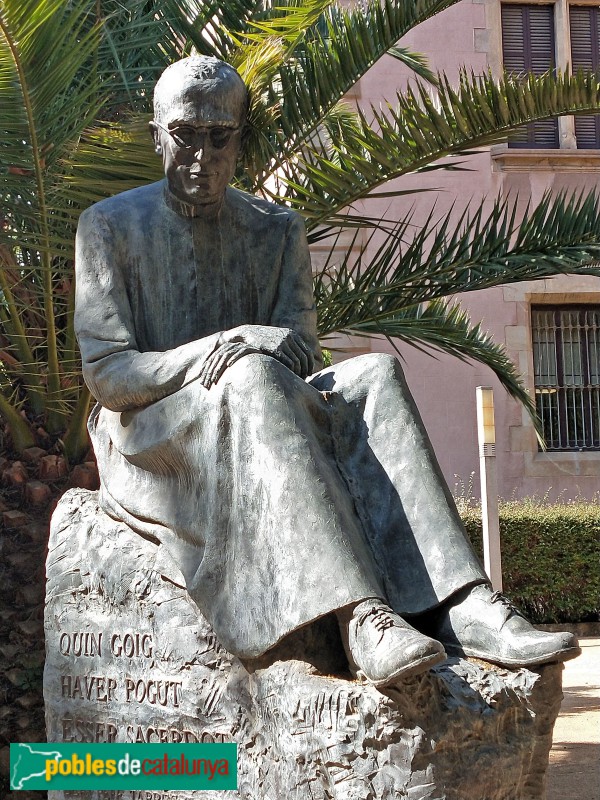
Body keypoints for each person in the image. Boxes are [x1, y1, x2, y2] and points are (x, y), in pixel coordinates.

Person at [74, 56, 579, 688]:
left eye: (219, 137)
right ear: (157, 134)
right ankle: (359, 616)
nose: (202, 156)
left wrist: (268, 349)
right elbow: (109, 373)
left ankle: (460, 601)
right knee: (251, 376)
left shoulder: (275, 229)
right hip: (154, 434)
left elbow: (304, 351)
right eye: (185, 135)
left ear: (240, 139)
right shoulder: (109, 227)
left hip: (260, 405)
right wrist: (221, 350)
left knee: (374, 374)